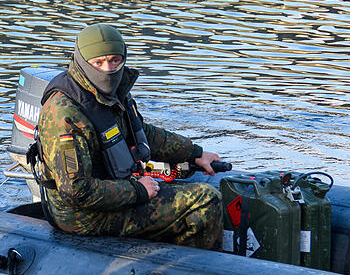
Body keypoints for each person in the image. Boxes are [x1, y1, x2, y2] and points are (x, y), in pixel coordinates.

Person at [35, 24, 223, 249]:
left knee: (201, 183)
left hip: (114, 190)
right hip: (82, 215)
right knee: (206, 200)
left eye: (115, 60)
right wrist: (138, 191)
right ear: (83, 63)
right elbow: (76, 190)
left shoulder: (108, 92)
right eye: (99, 63)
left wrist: (195, 154)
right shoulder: (65, 115)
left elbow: (141, 134)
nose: (108, 69)